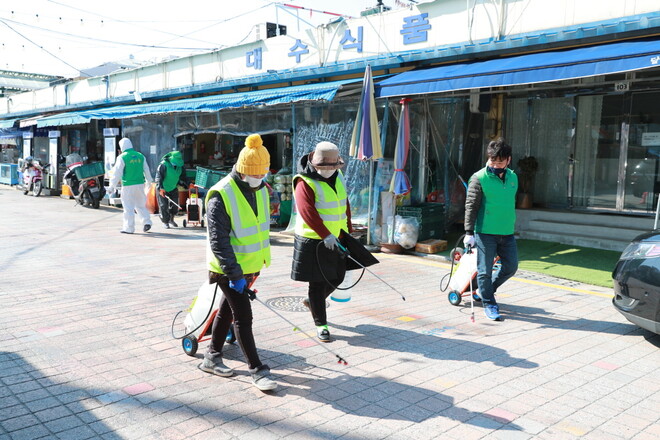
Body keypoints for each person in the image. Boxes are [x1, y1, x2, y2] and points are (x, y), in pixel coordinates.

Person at [200, 133, 277, 392]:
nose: (260, 179)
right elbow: (219, 242)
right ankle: (258, 370)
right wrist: (234, 275)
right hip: (227, 269)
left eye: (263, 175)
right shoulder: (220, 195)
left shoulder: (260, 188)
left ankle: (211, 357)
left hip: (250, 266)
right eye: (255, 175)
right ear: (242, 171)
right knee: (243, 317)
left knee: (227, 311)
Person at [291, 141, 352, 342]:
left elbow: (344, 203)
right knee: (317, 283)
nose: (328, 171)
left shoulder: (338, 176)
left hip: (337, 236)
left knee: (338, 276)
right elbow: (307, 211)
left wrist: (348, 230)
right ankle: (321, 325)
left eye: (332, 167)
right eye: (324, 167)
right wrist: (325, 234)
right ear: (315, 163)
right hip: (313, 240)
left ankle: (313, 302)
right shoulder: (304, 181)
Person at [464, 138, 519, 321]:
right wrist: (469, 233)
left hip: (507, 232)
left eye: (500, 162)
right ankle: (489, 303)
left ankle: (485, 290)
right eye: (492, 161)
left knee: (511, 267)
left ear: (508, 160)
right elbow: (471, 205)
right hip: (485, 233)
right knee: (484, 271)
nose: (495, 164)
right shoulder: (478, 178)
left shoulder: (513, 177)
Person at [107, 138, 153, 234]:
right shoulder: (140, 156)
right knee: (141, 205)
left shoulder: (122, 157)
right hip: (140, 184)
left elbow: (117, 173)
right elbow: (147, 170)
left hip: (128, 185)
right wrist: (149, 182)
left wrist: (112, 186)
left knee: (128, 207)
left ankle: (129, 228)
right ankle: (147, 222)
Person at [155, 150, 188, 229]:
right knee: (163, 206)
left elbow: (183, 177)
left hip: (173, 187)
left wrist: (187, 184)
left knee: (175, 205)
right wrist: (161, 188)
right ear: (171, 158)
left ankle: (171, 219)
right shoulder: (163, 165)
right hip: (163, 188)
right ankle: (165, 222)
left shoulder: (180, 166)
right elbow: (158, 178)